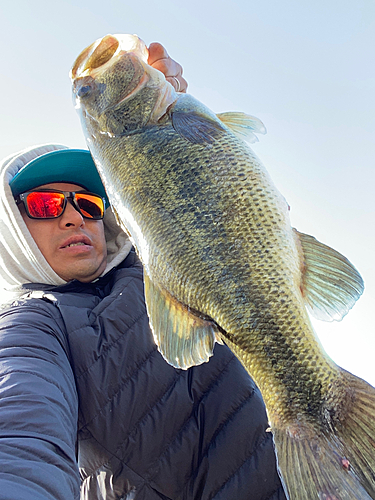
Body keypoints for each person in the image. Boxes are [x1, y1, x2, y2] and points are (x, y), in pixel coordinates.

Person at [0, 43, 286, 500]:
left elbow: (245, 229)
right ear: (12, 228)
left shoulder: (166, 269)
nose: (74, 217)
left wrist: (187, 129)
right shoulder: (34, 323)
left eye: (89, 204)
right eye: (45, 204)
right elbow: (19, 432)